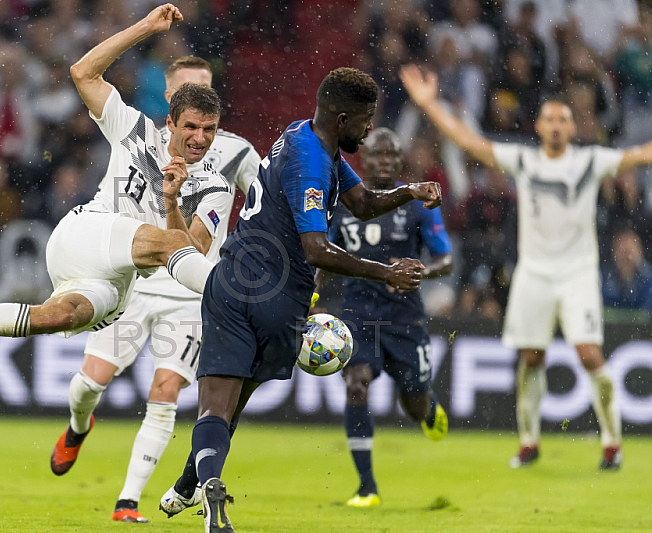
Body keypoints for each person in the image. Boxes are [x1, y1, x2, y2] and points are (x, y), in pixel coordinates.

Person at [159, 67, 442, 533]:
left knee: (215, 406)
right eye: (366, 120)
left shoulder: (302, 135)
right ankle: (195, 484)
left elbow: (363, 203)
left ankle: (200, 484)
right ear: (344, 116)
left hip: (232, 281)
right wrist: (386, 271)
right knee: (235, 402)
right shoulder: (314, 164)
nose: (369, 130)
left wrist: (408, 191)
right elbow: (316, 249)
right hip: (281, 297)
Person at [0, 5, 220, 341]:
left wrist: (171, 202)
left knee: (58, 317)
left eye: (209, 130)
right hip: (85, 234)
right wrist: (144, 27)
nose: (200, 138)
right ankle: (237, 302)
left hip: (115, 280)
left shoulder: (213, 186)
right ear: (171, 122)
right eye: (191, 127)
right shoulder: (137, 129)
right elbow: (83, 72)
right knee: (167, 244)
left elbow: (191, 253)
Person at [399, 63, 652, 470]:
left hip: (577, 275)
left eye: (563, 119)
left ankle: (612, 443)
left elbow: (641, 153)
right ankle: (529, 441)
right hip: (533, 274)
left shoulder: (591, 161)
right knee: (531, 358)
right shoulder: (525, 160)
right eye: (550, 118)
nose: (555, 124)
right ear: (538, 125)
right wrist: (429, 106)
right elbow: (470, 141)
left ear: (572, 128)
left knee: (590, 355)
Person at [51, 56, 261, 524]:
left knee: (166, 390)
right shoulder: (137, 134)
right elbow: (84, 74)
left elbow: (263, 205)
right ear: (171, 100)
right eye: (188, 89)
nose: (201, 126)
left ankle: (127, 501)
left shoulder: (236, 153)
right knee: (91, 381)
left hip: (188, 294)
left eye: (206, 90)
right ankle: (77, 426)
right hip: (133, 283)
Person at [317, 128, 453, 508]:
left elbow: (446, 258)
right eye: (378, 155)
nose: (386, 162)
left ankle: (427, 408)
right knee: (356, 383)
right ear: (364, 158)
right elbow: (323, 253)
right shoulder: (343, 204)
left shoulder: (416, 203)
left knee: (414, 404)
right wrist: (311, 296)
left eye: (393, 155)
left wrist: (420, 270)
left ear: (400, 160)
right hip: (358, 313)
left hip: (405, 316)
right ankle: (366, 488)